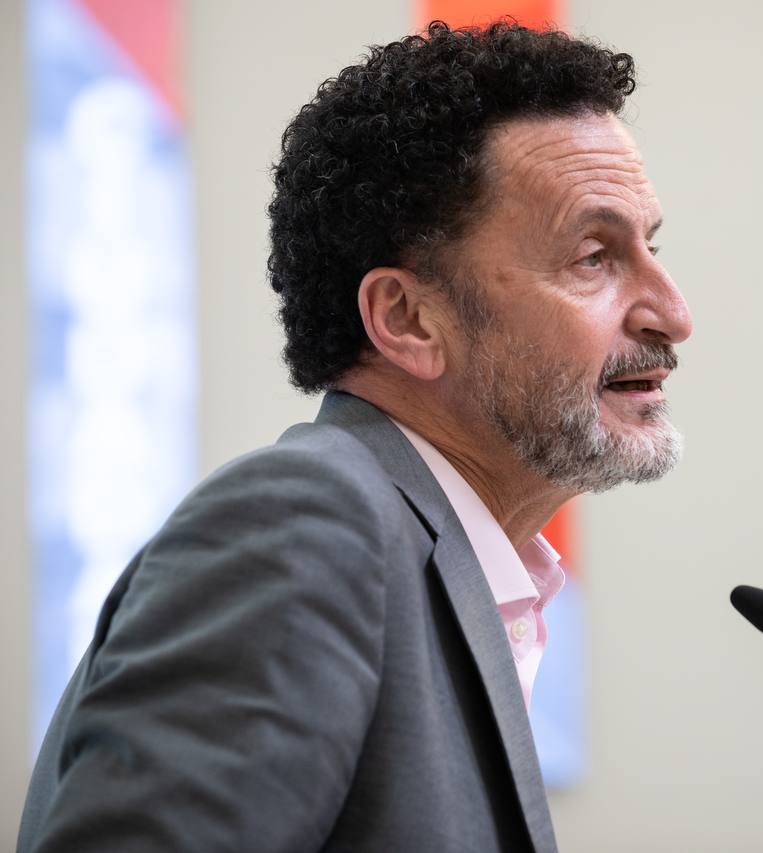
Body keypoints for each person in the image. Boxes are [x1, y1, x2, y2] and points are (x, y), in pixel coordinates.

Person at [18, 20, 692, 853]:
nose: (674, 314)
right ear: (409, 318)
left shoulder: (436, 565)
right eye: (594, 256)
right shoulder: (304, 526)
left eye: (650, 248)